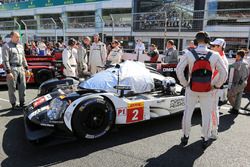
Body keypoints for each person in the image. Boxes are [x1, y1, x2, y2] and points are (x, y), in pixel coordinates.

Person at [176, 31, 227, 149]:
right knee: (206, 115)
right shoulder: (215, 55)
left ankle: (185, 136)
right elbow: (224, 73)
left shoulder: (189, 54)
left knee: (187, 113)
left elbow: (179, 70)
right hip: (208, 90)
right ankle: (205, 137)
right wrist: (216, 85)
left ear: (196, 40)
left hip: (192, 88)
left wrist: (185, 84)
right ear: (208, 41)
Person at [2, 31, 29, 109]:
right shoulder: (6, 46)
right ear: (12, 37)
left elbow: (23, 58)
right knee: (12, 87)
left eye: (19, 37)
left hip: (21, 68)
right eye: (17, 37)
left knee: (23, 86)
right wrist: (8, 72)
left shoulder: (20, 46)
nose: (18, 38)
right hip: (12, 68)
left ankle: (22, 103)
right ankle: (13, 104)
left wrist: (26, 68)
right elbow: (5, 60)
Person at [209, 38, 229, 140]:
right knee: (212, 109)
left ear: (220, 47)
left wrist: (214, 86)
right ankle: (212, 130)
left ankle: (214, 131)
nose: (212, 47)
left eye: (214, 46)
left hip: (213, 88)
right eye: (212, 45)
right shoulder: (218, 57)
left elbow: (223, 76)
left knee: (213, 109)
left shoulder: (221, 58)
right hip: (213, 88)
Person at [228, 50, 249, 114]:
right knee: (239, 96)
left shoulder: (238, 63)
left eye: (236, 55)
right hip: (244, 82)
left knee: (229, 95)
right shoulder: (246, 62)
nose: (235, 56)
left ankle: (235, 107)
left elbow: (229, 66)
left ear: (239, 56)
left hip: (238, 83)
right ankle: (236, 109)